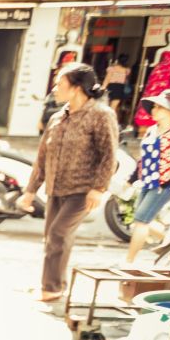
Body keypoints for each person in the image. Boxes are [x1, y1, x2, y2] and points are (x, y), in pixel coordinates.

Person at [19, 61, 119, 305]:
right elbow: (42, 157)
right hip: (56, 188)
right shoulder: (57, 118)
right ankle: (55, 285)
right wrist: (30, 191)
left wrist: (98, 188)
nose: (54, 88)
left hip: (82, 191)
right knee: (54, 238)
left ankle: (52, 288)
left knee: (58, 234)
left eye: (59, 84)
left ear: (76, 88)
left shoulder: (101, 115)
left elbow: (109, 154)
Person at [125, 90, 170, 264]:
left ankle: (129, 261)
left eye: (159, 107)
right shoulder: (151, 130)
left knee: (141, 221)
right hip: (148, 180)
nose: (154, 110)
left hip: (166, 183)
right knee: (140, 219)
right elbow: (143, 158)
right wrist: (131, 179)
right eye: (154, 107)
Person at [105, 53, 134, 125]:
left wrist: (103, 87)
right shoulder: (127, 70)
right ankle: (111, 123)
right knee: (113, 107)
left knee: (106, 105)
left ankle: (106, 122)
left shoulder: (112, 68)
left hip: (111, 86)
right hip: (120, 88)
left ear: (117, 60)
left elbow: (107, 78)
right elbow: (126, 79)